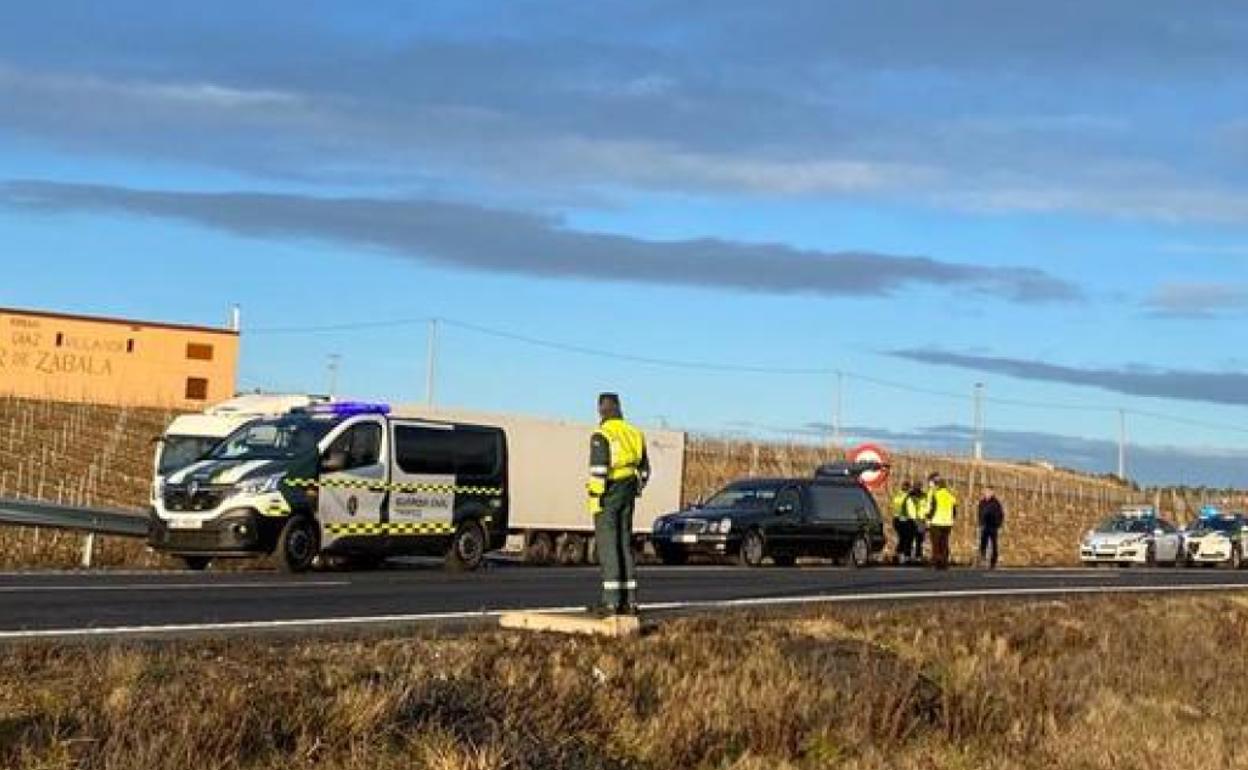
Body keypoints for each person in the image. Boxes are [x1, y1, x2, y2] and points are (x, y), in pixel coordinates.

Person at [587, 393, 650, 616]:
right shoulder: (634, 433)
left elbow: (599, 471)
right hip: (628, 492)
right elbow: (644, 470)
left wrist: (596, 497)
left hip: (609, 493)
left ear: (601, 410)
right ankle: (630, 601)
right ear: (619, 408)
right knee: (624, 544)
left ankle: (611, 601)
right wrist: (636, 489)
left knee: (608, 545)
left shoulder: (601, 435)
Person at [926, 473, 958, 570]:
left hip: (936, 522)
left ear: (938, 486)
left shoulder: (936, 495)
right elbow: (954, 511)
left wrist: (928, 518)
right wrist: (951, 519)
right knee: (944, 543)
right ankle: (944, 563)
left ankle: (936, 563)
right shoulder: (950, 496)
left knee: (936, 544)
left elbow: (933, 509)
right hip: (947, 523)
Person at [977, 487, 1005, 569]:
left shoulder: (996, 503)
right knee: (983, 543)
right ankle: (982, 559)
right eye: (986, 492)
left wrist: (998, 524)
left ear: (992, 493)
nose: (987, 493)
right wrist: (980, 522)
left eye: (989, 492)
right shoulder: (982, 502)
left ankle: (993, 561)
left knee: (994, 545)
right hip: (984, 525)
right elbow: (979, 513)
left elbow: (1000, 514)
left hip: (993, 526)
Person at [891, 481, 917, 564]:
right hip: (906, 520)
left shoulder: (897, 496)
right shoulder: (908, 497)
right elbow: (911, 511)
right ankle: (906, 557)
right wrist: (915, 520)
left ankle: (897, 555)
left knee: (902, 539)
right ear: (908, 488)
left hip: (896, 519)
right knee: (908, 539)